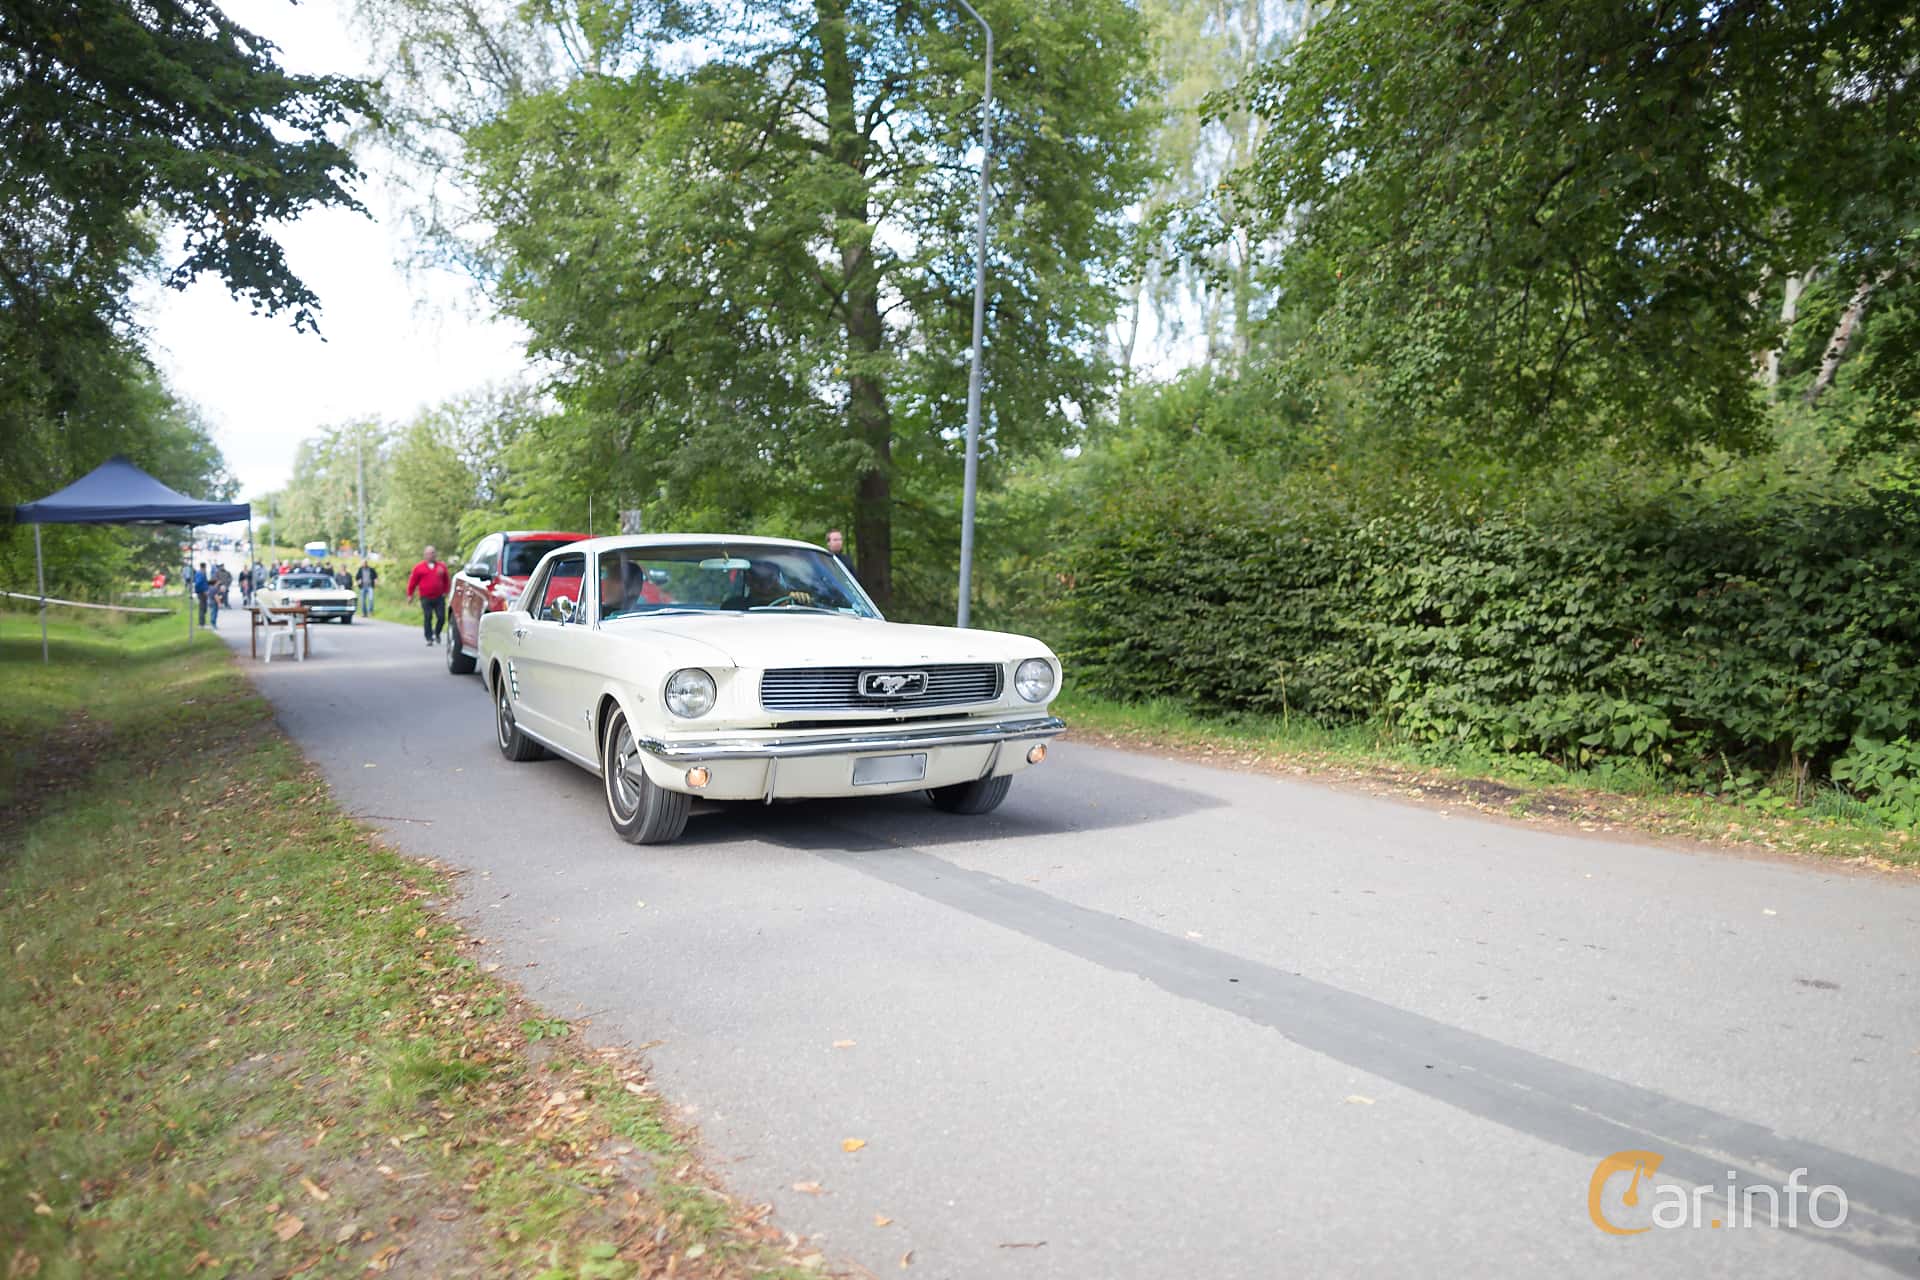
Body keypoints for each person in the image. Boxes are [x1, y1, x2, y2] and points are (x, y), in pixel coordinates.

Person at [406, 546, 452, 646]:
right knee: (428, 616)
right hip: (425, 597)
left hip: (439, 597)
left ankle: (437, 632)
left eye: (433, 553)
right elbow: (413, 582)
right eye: (429, 553)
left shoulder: (441, 566)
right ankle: (429, 637)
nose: (431, 555)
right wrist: (410, 594)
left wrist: (447, 592)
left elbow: (447, 581)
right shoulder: (419, 568)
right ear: (425, 555)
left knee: (441, 617)